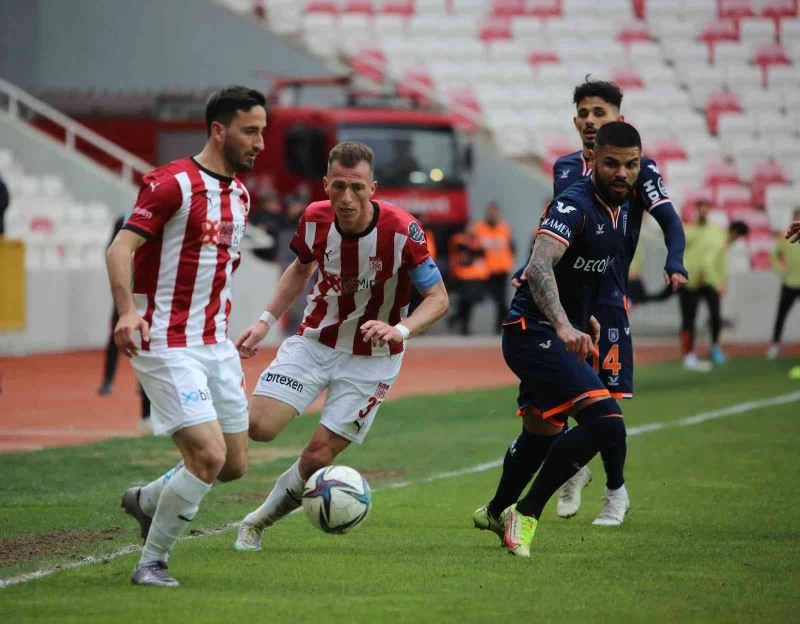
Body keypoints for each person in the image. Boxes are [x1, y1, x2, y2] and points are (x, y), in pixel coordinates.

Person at [478, 79, 687, 530]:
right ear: (576, 121)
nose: (591, 120)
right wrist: (531, 267)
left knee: (603, 409)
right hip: (564, 307)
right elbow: (553, 233)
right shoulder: (566, 170)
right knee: (552, 418)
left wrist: (675, 260)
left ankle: (614, 490)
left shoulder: (637, 169)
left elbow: (669, 219)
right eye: (585, 113)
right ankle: (535, 492)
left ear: (618, 120)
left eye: (600, 113)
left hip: (605, 303)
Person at [232, 141, 449, 552]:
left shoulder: (403, 232)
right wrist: (264, 322)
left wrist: (400, 330)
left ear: (373, 189)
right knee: (259, 426)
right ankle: (180, 478)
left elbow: (438, 299)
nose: (347, 198)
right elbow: (300, 269)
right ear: (326, 184)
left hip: (373, 360)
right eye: (338, 186)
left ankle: (255, 523)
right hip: (316, 341)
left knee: (317, 456)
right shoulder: (314, 219)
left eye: (357, 188)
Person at [106, 86, 267, 587]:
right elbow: (119, 249)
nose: (260, 143)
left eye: (262, 131)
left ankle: (146, 500)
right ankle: (151, 563)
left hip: (215, 344)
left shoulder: (241, 196)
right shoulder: (171, 184)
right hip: (168, 342)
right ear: (219, 130)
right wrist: (128, 311)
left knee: (233, 465)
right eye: (250, 131)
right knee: (208, 456)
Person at [479, 122, 642, 558]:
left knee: (542, 431)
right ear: (593, 161)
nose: (622, 173)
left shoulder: (619, 208)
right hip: (533, 333)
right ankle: (525, 513)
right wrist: (565, 325)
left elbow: (580, 274)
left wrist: (585, 317)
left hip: (558, 331)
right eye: (612, 163)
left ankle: (495, 511)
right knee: (606, 422)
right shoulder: (574, 204)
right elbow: (538, 266)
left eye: (631, 164)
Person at [98, 214, 152, 427]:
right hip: (126, 295)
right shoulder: (124, 219)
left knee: (149, 345)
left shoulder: (159, 217)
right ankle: (107, 379)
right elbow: (112, 251)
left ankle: (147, 411)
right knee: (117, 336)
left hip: (148, 295)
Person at [679, 198, 728, 371]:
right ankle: (688, 354)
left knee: (716, 317)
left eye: (705, 208)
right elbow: (678, 252)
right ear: (696, 210)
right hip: (690, 281)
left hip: (710, 281)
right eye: (700, 208)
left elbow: (722, 257)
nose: (703, 211)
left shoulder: (717, 232)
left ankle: (715, 348)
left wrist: (722, 280)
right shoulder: (687, 231)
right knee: (688, 320)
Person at [474, 201, 515, 333]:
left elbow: (512, 247)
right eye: (490, 212)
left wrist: (510, 261)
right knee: (476, 296)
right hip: (484, 271)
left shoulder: (504, 228)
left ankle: (499, 328)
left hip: (502, 269)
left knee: (501, 300)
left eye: (495, 212)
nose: (493, 214)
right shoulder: (479, 228)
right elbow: (473, 248)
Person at [767, 209, 800, 359]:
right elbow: (774, 256)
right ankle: (774, 346)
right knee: (781, 315)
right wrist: (781, 270)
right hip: (790, 283)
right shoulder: (786, 238)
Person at [446, 222, 489, 335]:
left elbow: (481, 256)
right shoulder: (460, 240)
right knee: (465, 301)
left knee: (469, 303)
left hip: (475, 277)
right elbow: (464, 258)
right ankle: (461, 323)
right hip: (462, 276)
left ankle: (459, 321)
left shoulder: (477, 242)